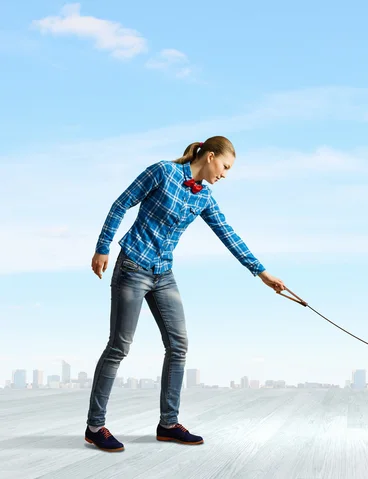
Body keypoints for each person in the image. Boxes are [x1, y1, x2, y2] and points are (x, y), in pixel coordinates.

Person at [85, 136, 286, 452]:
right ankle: (95, 427)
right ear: (209, 156)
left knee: (178, 345)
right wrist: (102, 247)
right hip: (133, 266)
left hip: (163, 274)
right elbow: (121, 203)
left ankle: (169, 424)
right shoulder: (162, 172)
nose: (224, 175)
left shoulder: (203, 196)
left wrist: (261, 273)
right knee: (119, 346)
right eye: (224, 166)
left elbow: (228, 234)